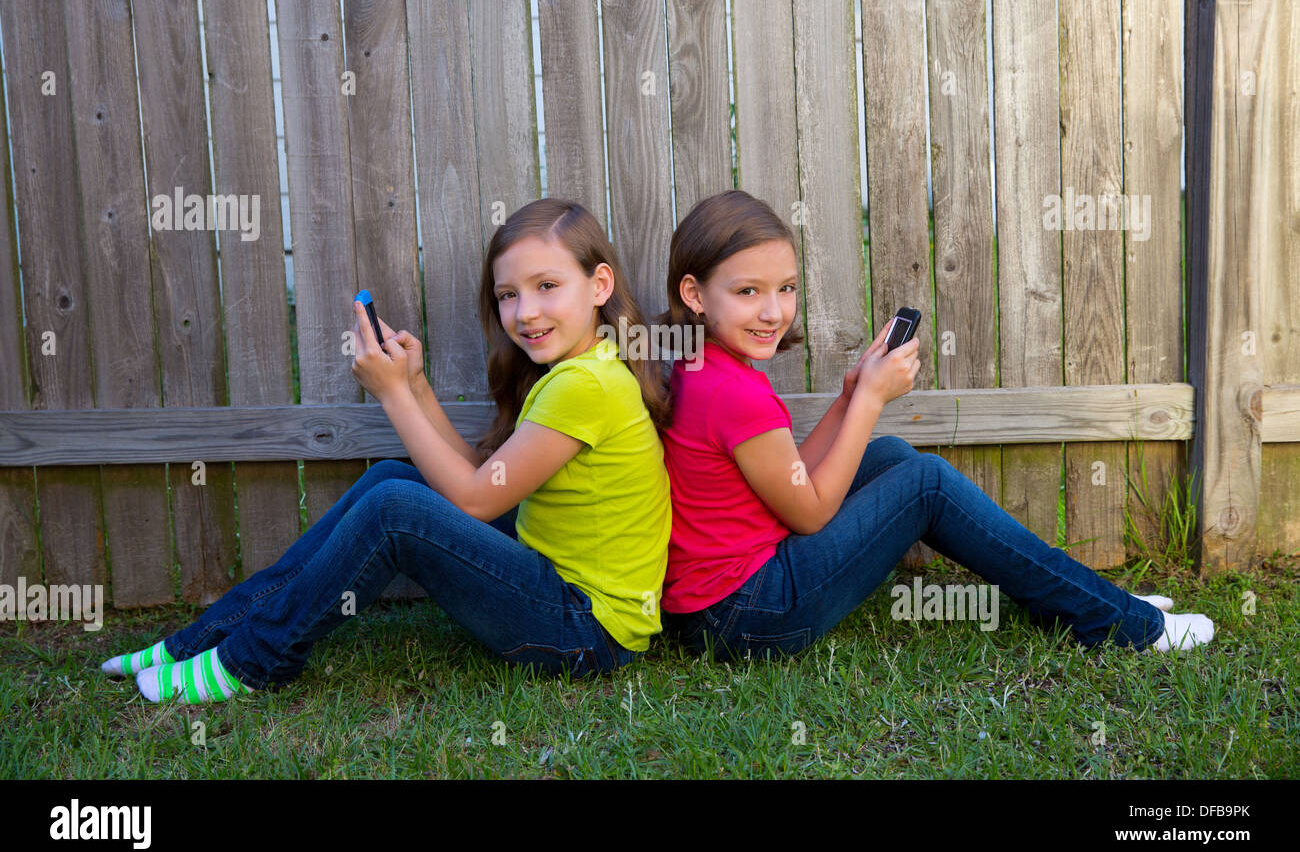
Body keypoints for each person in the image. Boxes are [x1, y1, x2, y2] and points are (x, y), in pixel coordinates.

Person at [101, 199, 672, 703]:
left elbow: (474, 502)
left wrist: (392, 393)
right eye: (508, 294)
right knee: (394, 479)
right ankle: (199, 640)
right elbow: (483, 478)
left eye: (547, 286)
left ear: (599, 285)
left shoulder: (586, 385)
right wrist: (417, 387)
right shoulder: (582, 370)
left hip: (587, 632)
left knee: (395, 510)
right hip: (561, 594)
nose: (525, 312)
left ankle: (253, 660)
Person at [656, 189, 1213, 662]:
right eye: (747, 291)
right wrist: (871, 400)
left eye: (787, 287)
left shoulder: (703, 366)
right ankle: (1116, 621)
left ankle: (1084, 596)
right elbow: (810, 512)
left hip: (718, 606)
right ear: (694, 294)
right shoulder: (733, 392)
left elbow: (789, 474)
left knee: (892, 456)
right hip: (748, 617)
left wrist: (851, 395)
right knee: (924, 482)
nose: (774, 311)